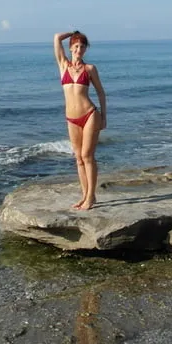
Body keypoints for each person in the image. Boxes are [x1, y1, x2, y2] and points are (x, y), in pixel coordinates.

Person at [54, 30, 107, 210]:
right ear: (70, 48)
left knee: (87, 156)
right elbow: (56, 38)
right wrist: (74, 32)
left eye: (82, 46)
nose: (79, 49)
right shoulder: (63, 66)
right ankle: (84, 195)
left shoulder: (89, 69)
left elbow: (100, 92)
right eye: (76, 46)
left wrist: (104, 117)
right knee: (78, 158)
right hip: (72, 118)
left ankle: (91, 197)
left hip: (90, 114)